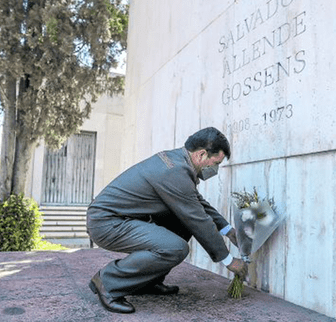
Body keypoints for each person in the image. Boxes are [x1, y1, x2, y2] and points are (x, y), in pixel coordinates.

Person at [86, 127, 248, 314]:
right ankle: (107, 282)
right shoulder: (174, 171)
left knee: (182, 225)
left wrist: (228, 230)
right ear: (201, 154)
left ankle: (147, 283)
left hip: (123, 219)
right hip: (107, 223)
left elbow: (198, 204)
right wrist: (228, 260)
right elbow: (199, 220)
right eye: (215, 163)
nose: (216, 170)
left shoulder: (177, 161)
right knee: (175, 248)